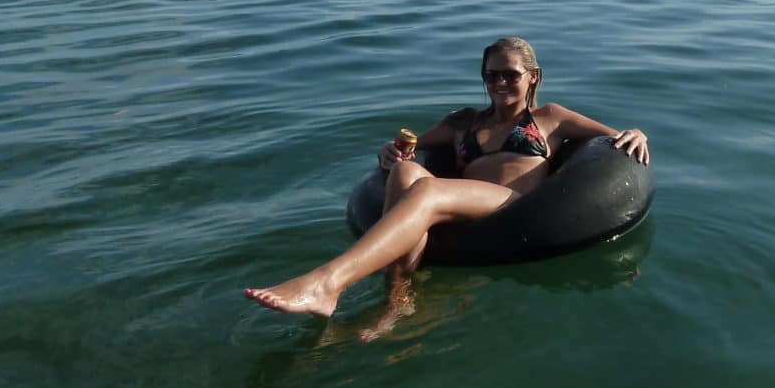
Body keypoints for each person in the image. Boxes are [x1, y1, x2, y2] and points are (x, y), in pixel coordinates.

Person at [244, 37, 650, 317]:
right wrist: (389, 151)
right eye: (491, 75)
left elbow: (612, 137)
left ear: (533, 77)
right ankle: (396, 302)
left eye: (510, 74)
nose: (500, 82)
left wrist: (637, 133)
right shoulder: (463, 123)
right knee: (406, 172)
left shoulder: (550, 119)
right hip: (457, 199)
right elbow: (411, 146)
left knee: (427, 189)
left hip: (511, 206)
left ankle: (327, 283)